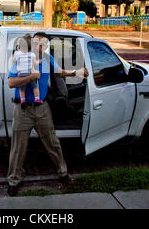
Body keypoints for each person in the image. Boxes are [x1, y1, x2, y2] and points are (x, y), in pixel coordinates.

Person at [6, 32, 88, 196]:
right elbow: (11, 82)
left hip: (43, 108)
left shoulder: (47, 58)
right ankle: (14, 180)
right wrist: (30, 76)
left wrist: (77, 72)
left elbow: (58, 72)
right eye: (37, 42)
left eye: (42, 43)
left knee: (53, 143)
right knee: (18, 148)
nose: (39, 46)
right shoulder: (21, 58)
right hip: (23, 111)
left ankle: (63, 174)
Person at [12, 34, 42, 108]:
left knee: (22, 89)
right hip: (30, 73)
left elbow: (13, 61)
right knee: (35, 87)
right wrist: (39, 62)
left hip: (21, 74)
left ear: (19, 46)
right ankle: (37, 99)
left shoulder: (17, 54)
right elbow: (35, 63)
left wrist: (17, 53)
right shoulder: (32, 55)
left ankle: (22, 100)